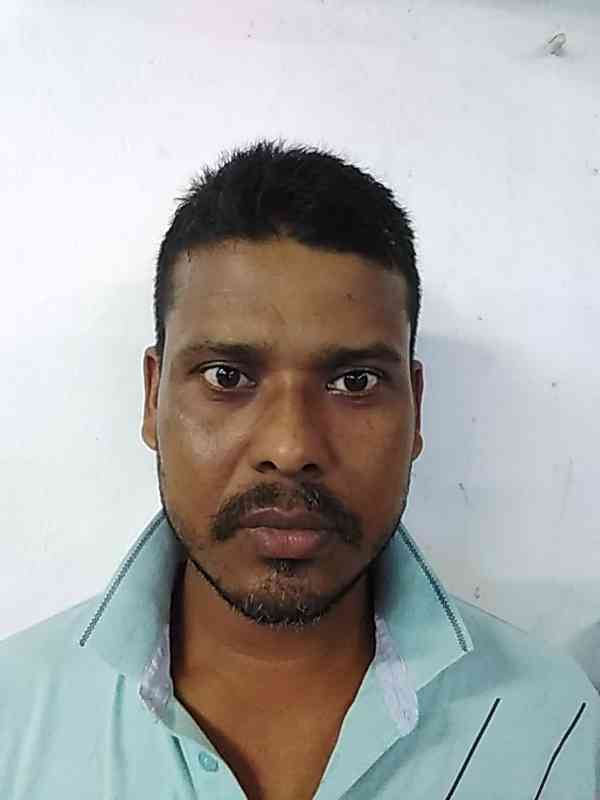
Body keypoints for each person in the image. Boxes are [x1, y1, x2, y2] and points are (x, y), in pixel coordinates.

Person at [1, 139, 598, 800]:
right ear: (152, 397)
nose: (290, 448)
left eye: (354, 381)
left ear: (416, 408)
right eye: (227, 377)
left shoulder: (556, 728)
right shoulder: (13, 715)